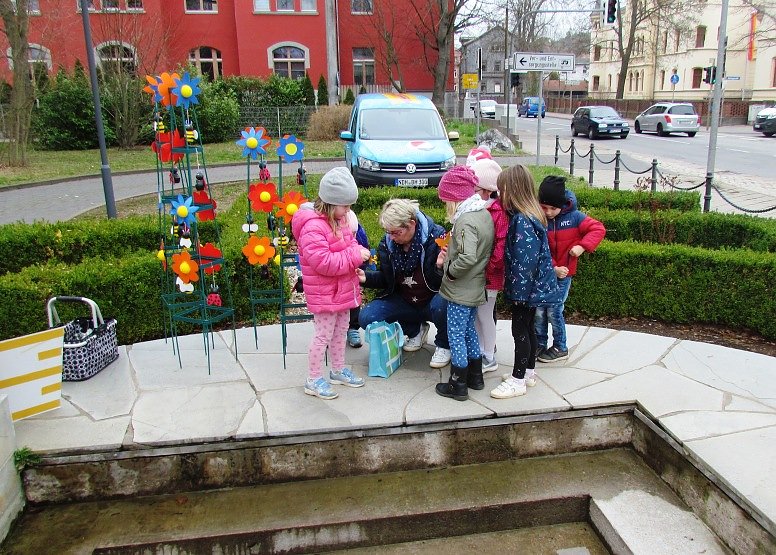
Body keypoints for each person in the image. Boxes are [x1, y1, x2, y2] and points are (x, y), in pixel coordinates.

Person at [291, 167, 371, 400]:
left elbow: (347, 247)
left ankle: (337, 370)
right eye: (345, 205)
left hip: (343, 289)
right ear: (329, 202)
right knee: (323, 336)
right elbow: (323, 262)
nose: (348, 210)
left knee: (341, 332)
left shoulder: (341, 219)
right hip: (325, 294)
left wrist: (355, 253)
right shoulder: (312, 227)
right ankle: (313, 378)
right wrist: (355, 256)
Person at [490, 165, 561, 400]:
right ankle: (528, 372)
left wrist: (519, 296)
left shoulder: (522, 220)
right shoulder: (530, 215)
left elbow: (524, 262)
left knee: (519, 330)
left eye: (502, 190)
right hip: (534, 289)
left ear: (513, 190)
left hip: (527, 290)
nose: (499, 195)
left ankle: (518, 379)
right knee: (528, 328)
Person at [357, 198, 451, 368]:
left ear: (412, 224)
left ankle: (444, 344)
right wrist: (367, 278)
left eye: (396, 232)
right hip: (405, 300)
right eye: (388, 232)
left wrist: (439, 267)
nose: (391, 237)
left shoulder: (436, 236)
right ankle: (415, 329)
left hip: (432, 298)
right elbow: (387, 279)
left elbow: (447, 281)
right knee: (367, 317)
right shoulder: (387, 243)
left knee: (444, 304)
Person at [434, 166, 495, 401]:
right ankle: (475, 376)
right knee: (469, 330)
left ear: (454, 197)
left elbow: (468, 256)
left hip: (461, 288)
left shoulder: (465, 221)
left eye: (446, 199)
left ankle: (457, 384)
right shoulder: (482, 214)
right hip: (475, 286)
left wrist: (449, 270)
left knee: (456, 334)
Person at [534, 175, 606, 363]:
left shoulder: (575, 218)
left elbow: (598, 229)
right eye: (544, 207)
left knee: (554, 310)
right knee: (539, 309)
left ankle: (560, 346)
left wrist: (582, 246)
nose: (548, 212)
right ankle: (539, 343)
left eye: (553, 208)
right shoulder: (539, 218)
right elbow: (538, 248)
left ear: (562, 205)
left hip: (564, 275)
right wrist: (552, 267)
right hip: (546, 272)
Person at [470, 158, 506, 373]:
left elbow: (499, 245)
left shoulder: (497, 212)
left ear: (486, 190)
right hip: (482, 272)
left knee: (485, 315)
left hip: (489, 274)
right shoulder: (487, 209)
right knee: (479, 315)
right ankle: (481, 350)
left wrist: (489, 268)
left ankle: (488, 355)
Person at [345, 209, 371, 348]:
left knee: (354, 300)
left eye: (354, 233)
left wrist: (362, 262)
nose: (353, 236)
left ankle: (353, 328)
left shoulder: (359, 234)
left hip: (352, 274)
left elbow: (364, 251)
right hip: (337, 275)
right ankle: (332, 332)